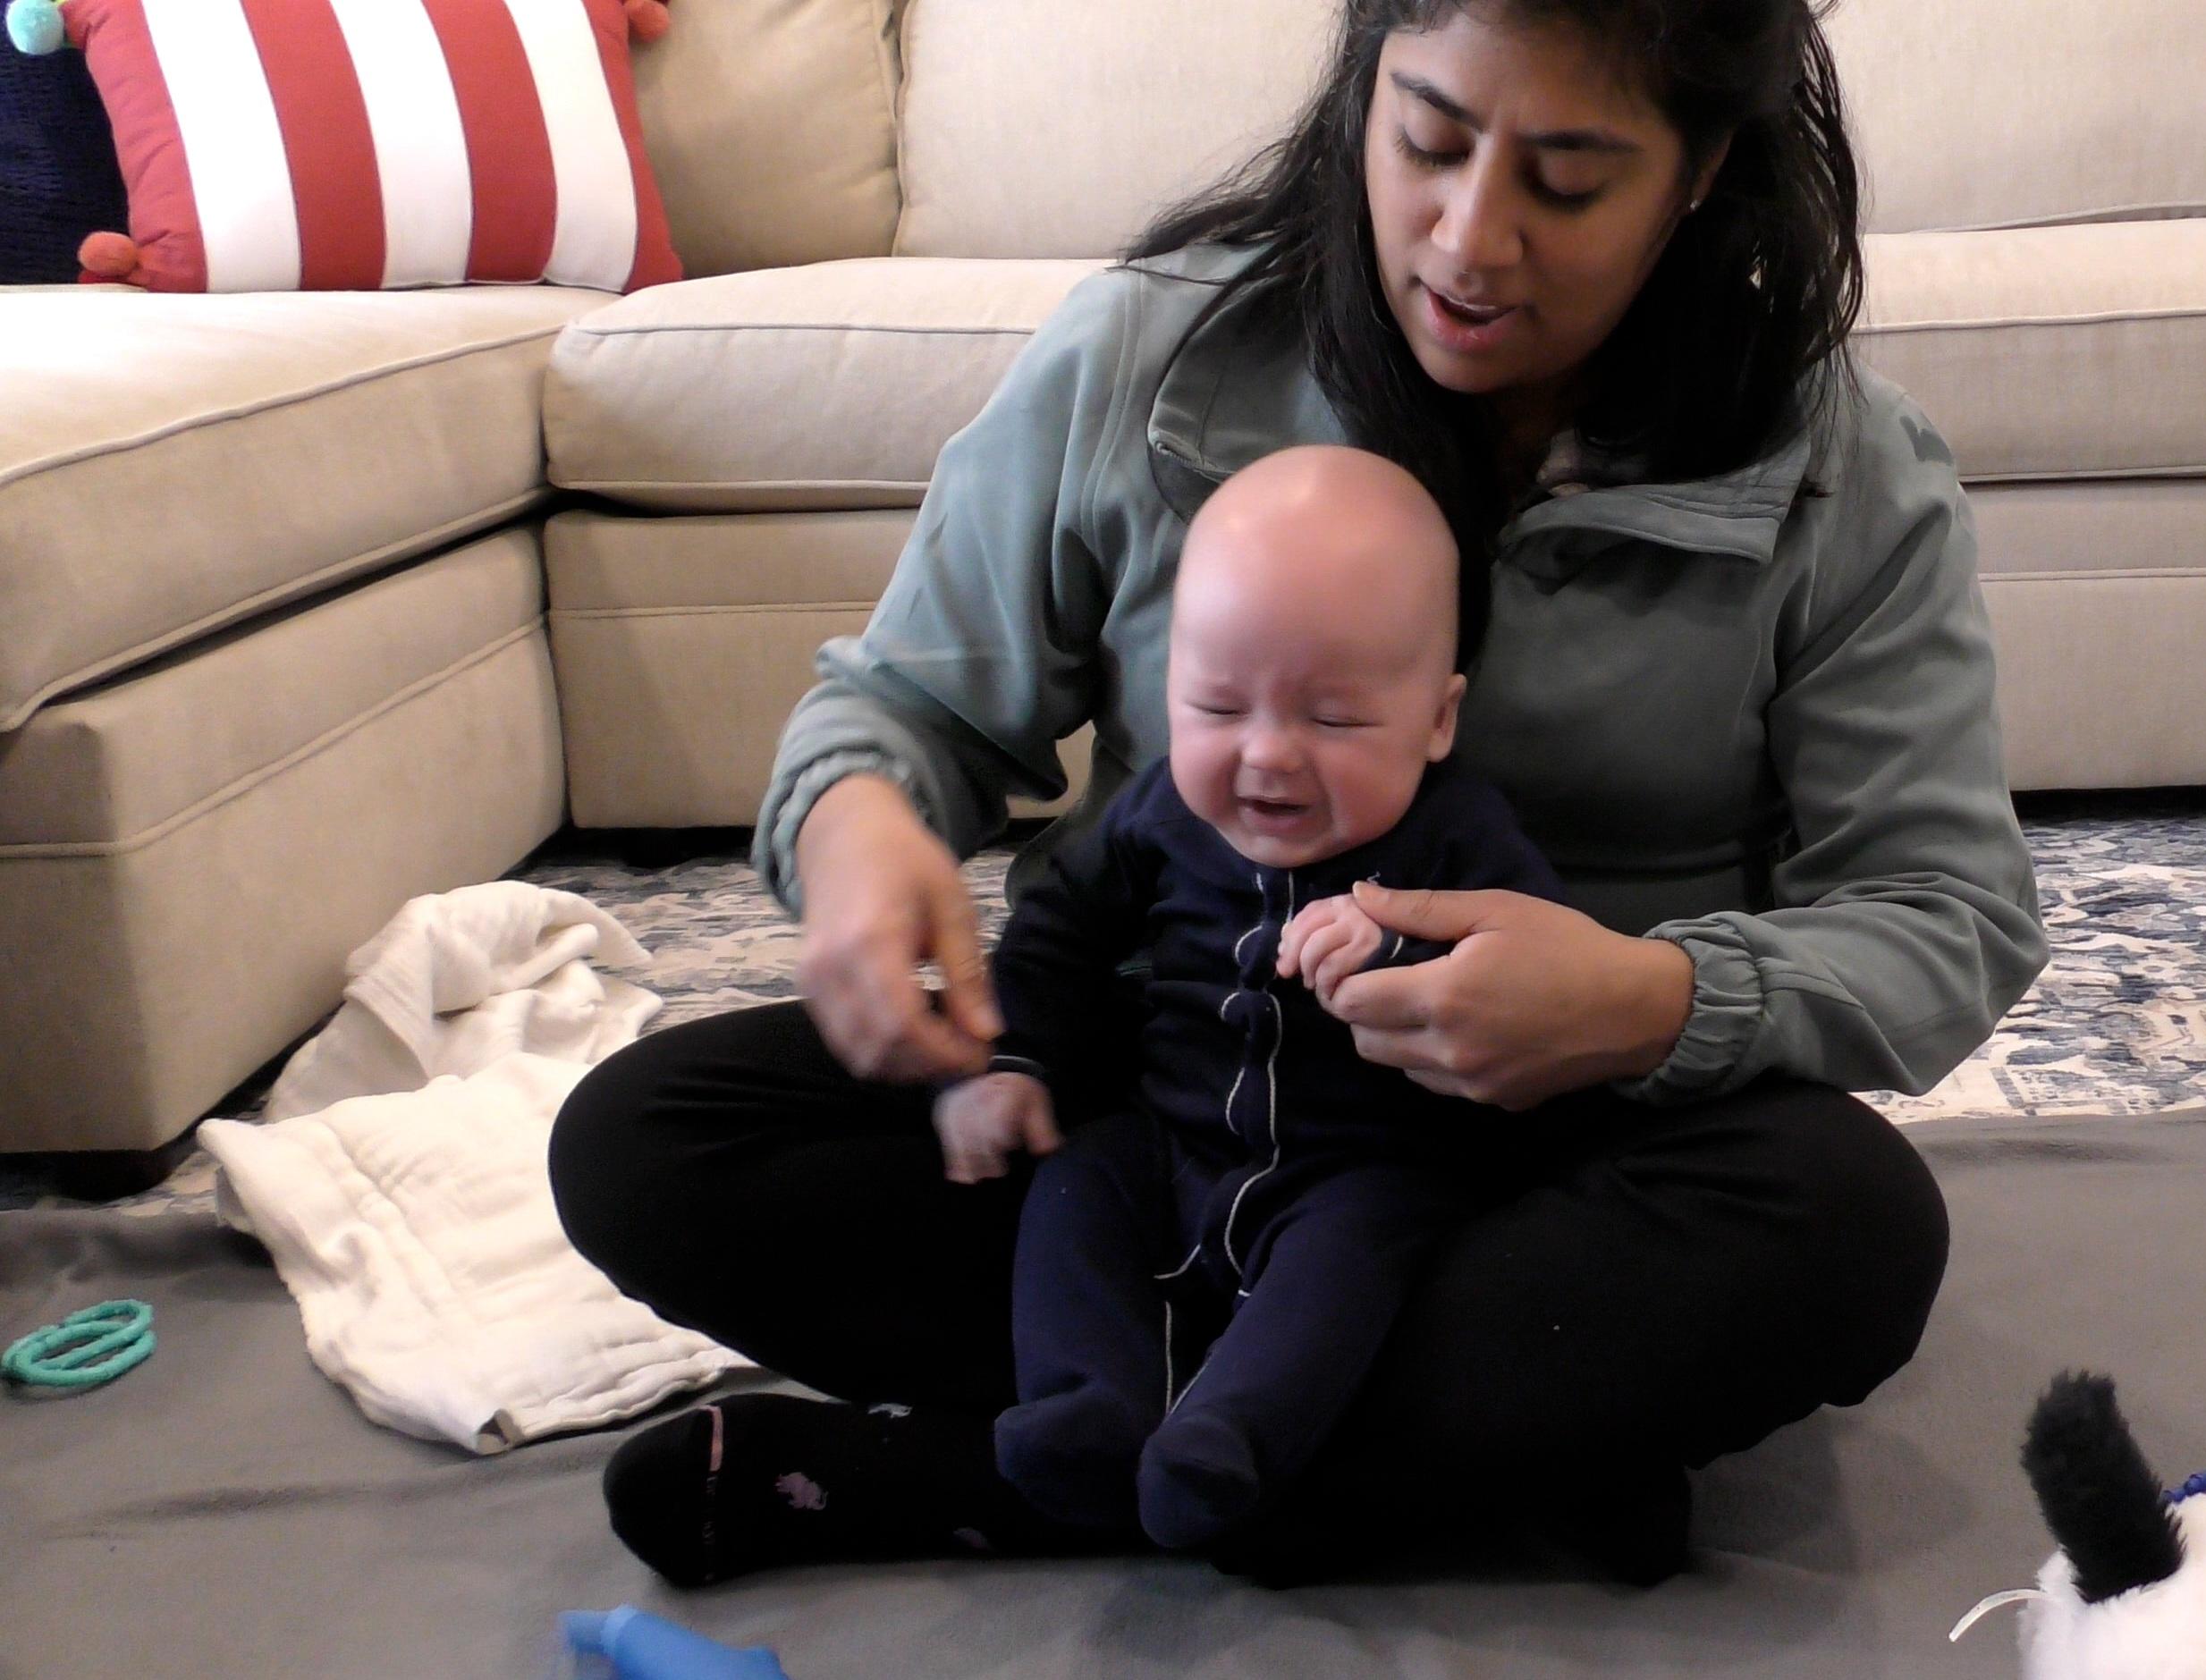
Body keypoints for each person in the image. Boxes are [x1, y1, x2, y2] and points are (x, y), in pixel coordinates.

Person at [551, 0, 2049, 1591]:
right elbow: (905, 703)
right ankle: (1458, 1461)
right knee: (649, 1140)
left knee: (1844, 1223)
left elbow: (1946, 917)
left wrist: (1650, 999)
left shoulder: (1846, 474)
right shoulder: (1148, 352)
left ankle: (1025, 1468)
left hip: (1527, 1172)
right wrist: (857, 828)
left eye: (1566, 179)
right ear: (1362, 89)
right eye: (1425, 139)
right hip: (1144, 1126)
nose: (1469, 238)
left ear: (1699, 176)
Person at [953, 444, 1569, 1557]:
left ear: (1437, 717)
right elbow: (1056, 938)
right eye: (1218, 705)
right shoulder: (1153, 814)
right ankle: (1090, 1408)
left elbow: (1534, 972)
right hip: (1168, 1144)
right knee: (1073, 1182)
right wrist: (1013, 1064)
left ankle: (1231, 1440)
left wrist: (1395, 942)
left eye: (1334, 720)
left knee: (1359, 1253)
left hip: (1359, 1167)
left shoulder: (1459, 833)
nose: (1267, 757)